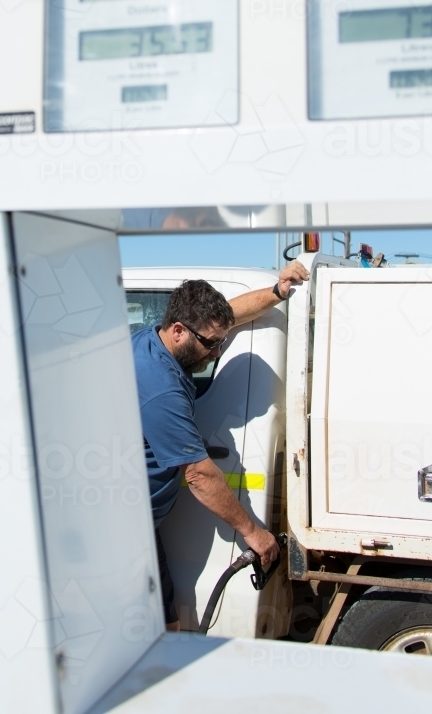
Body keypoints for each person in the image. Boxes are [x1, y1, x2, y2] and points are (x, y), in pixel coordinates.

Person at [132, 260, 309, 631]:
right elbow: (197, 473)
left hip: (131, 517)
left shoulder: (154, 340)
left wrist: (277, 292)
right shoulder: (161, 387)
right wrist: (253, 533)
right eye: (212, 345)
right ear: (179, 330)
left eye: (221, 343)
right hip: (122, 527)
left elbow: (228, 316)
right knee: (164, 631)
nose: (216, 353)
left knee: (163, 627)